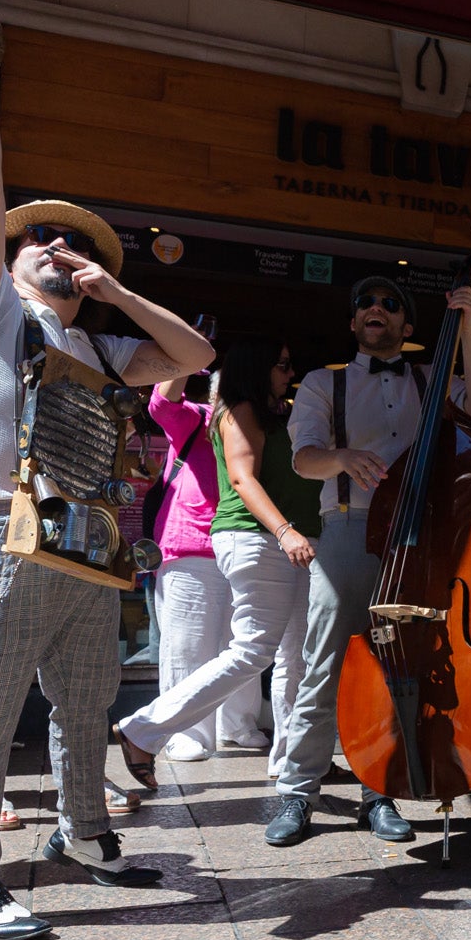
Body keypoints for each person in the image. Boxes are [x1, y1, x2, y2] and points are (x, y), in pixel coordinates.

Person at [0, 0, 213, 940]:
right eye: (43, 241)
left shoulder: (99, 347)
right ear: (8, 263)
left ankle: (82, 836)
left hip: (88, 539)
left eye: (78, 245)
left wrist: (116, 289)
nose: (62, 249)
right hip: (0, 532)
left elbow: (189, 358)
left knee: (87, 701)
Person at [270, 269, 471, 845]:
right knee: (325, 661)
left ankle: (380, 790)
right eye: (366, 303)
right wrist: (341, 457)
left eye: (390, 304)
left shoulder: (431, 375)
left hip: (419, 535)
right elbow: (304, 460)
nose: (377, 309)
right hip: (350, 528)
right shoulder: (325, 382)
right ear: (353, 322)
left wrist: (467, 327)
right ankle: (298, 790)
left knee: (400, 663)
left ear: (406, 324)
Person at [114, 338, 321, 830]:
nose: (291, 374)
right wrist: (185, 346)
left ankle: (290, 760)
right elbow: (242, 475)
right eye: (283, 363)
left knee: (291, 654)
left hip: (278, 538)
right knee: (241, 650)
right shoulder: (217, 411)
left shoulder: (280, 413)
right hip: (240, 538)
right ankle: (150, 728)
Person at [138, 372, 232, 763]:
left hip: (238, 543)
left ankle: (236, 724)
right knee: (188, 647)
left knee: (235, 645)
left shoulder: (257, 423)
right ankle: (180, 731)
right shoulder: (198, 416)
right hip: (191, 544)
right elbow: (161, 403)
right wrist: (184, 361)